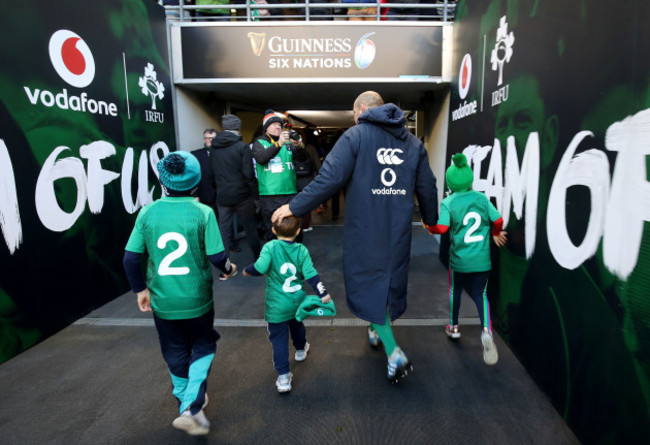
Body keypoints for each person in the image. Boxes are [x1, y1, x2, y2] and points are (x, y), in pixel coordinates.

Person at [273, 91, 439, 383]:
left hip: (366, 231)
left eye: (353, 114)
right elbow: (427, 185)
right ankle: (376, 329)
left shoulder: (355, 137)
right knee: (388, 280)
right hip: (398, 231)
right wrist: (430, 218)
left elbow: (329, 179)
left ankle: (393, 351)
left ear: (361, 110)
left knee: (369, 283)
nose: (353, 118)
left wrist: (294, 206)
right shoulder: (413, 143)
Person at [122, 151, 237, 436]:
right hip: (197, 299)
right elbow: (217, 257)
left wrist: (140, 290)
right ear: (196, 183)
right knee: (204, 345)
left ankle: (184, 401)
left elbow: (130, 258)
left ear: (163, 182)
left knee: (173, 350)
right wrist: (230, 269)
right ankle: (191, 405)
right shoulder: (203, 212)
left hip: (162, 300)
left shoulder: (147, 212)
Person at [423, 152, 507, 365]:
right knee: (481, 294)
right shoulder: (481, 198)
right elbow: (498, 220)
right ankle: (486, 330)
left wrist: (429, 226)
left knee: (455, 290)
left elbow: (441, 228)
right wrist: (496, 233)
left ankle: (454, 327)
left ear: (451, 181)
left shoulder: (449, 202)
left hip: (459, 261)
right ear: (469, 179)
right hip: (482, 260)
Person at [242, 215, 332, 393]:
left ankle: (283, 377)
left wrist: (247, 270)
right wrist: (323, 293)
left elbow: (259, 268)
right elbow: (312, 275)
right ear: (298, 231)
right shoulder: (301, 250)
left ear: (274, 230)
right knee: (297, 326)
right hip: (296, 301)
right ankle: (300, 350)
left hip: (276, 306)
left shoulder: (270, 247)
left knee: (278, 340)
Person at [211, 114, 261, 273]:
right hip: (242, 196)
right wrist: (255, 194)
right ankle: (258, 262)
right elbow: (248, 174)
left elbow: (212, 173)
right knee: (250, 228)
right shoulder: (242, 147)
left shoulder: (214, 147)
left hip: (223, 196)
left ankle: (225, 268)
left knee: (224, 231)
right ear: (238, 128)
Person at [251, 109, 298, 241]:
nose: (278, 126)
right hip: (270, 195)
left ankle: (292, 258)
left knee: (292, 227)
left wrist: (299, 145)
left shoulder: (287, 142)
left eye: (279, 124)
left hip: (290, 192)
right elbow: (261, 158)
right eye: (274, 124)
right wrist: (279, 144)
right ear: (266, 128)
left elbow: (302, 159)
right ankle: (275, 258)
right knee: (272, 228)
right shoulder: (259, 142)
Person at [291, 130, 320, 231]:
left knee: (294, 203)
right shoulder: (310, 148)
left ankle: (296, 225)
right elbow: (317, 163)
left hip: (293, 180)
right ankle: (305, 225)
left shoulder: (288, 148)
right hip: (308, 179)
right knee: (306, 202)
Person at [191, 129, 217, 213]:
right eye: (207, 138)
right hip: (203, 195)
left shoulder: (223, 153)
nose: (209, 140)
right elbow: (193, 176)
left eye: (212, 138)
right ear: (203, 139)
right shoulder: (196, 155)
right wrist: (195, 195)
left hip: (221, 197)